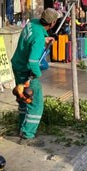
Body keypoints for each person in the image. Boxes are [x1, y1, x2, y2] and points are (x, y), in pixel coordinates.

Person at [11, 8, 59, 146]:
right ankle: (28, 135)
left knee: (23, 98)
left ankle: (21, 128)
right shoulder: (38, 38)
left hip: (18, 65)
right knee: (36, 103)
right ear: (53, 23)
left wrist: (45, 39)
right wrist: (37, 74)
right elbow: (33, 61)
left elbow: (31, 40)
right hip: (27, 71)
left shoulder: (32, 23)